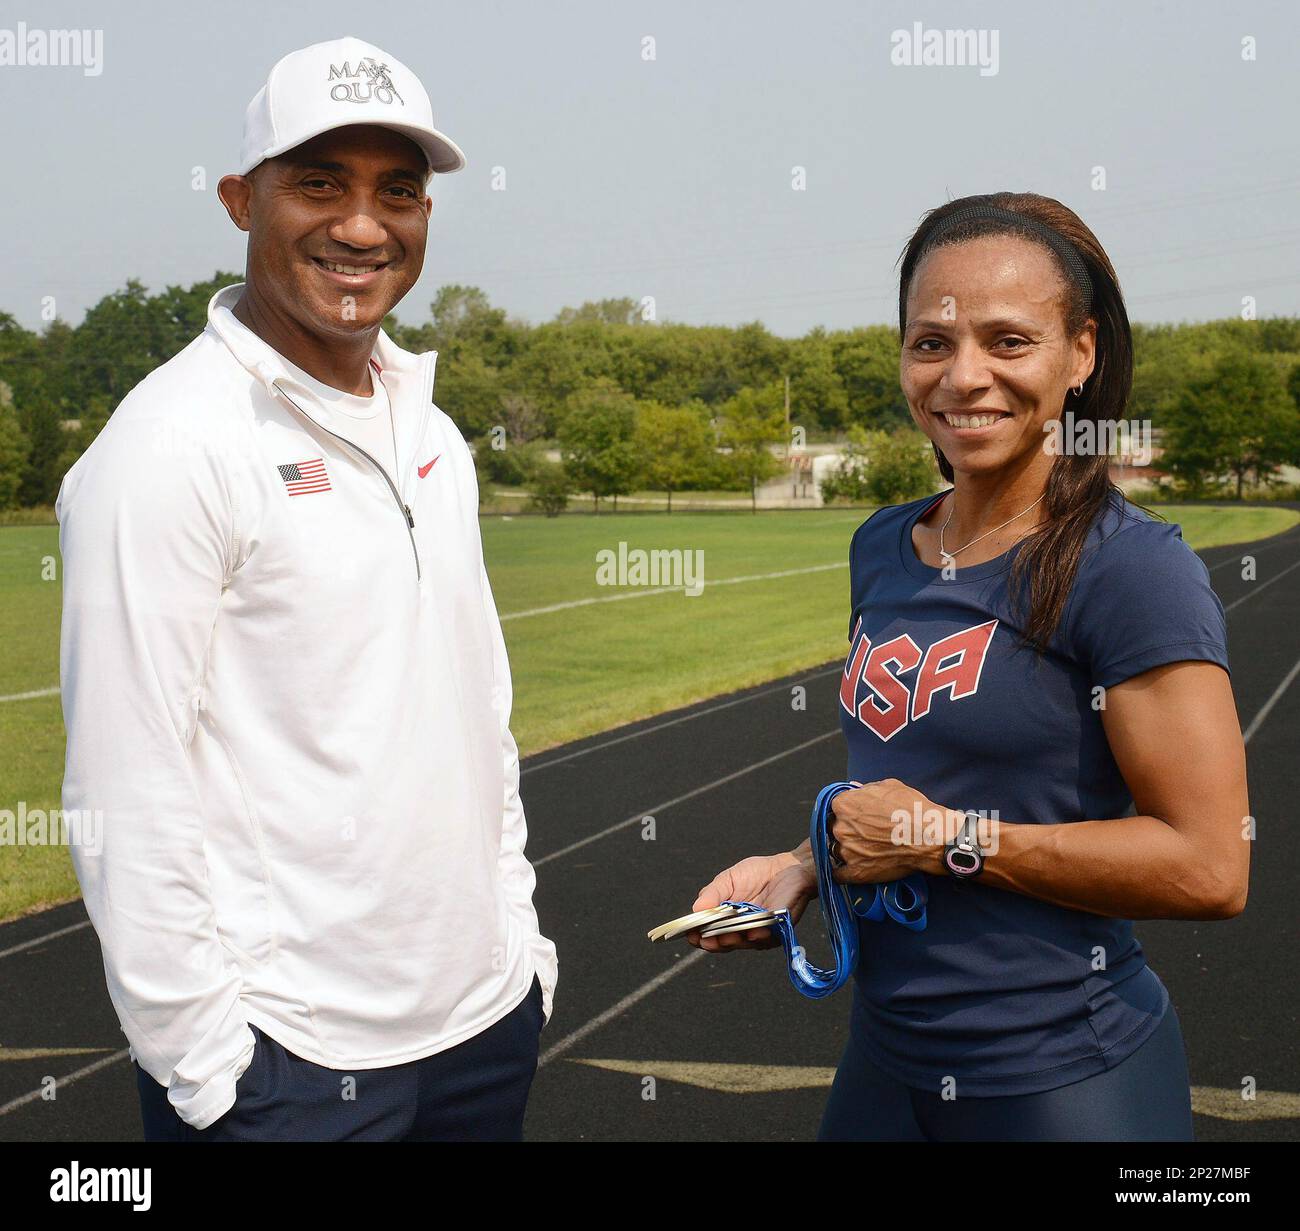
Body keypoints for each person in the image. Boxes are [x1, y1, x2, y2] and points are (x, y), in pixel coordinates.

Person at [56, 36, 557, 1142]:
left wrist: (521, 952)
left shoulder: (431, 432)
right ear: (242, 198)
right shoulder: (167, 448)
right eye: (319, 183)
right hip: (290, 1065)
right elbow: (122, 785)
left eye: (398, 192)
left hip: (481, 1030)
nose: (363, 225)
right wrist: (207, 1069)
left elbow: (480, 712)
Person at [688, 192, 1249, 1143]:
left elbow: (1208, 865)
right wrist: (800, 867)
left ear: (1082, 353)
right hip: (884, 1063)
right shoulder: (882, 544)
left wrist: (939, 839)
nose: (966, 376)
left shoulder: (1132, 566)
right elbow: (919, 785)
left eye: (1009, 341)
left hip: (1066, 1082)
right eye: (932, 342)